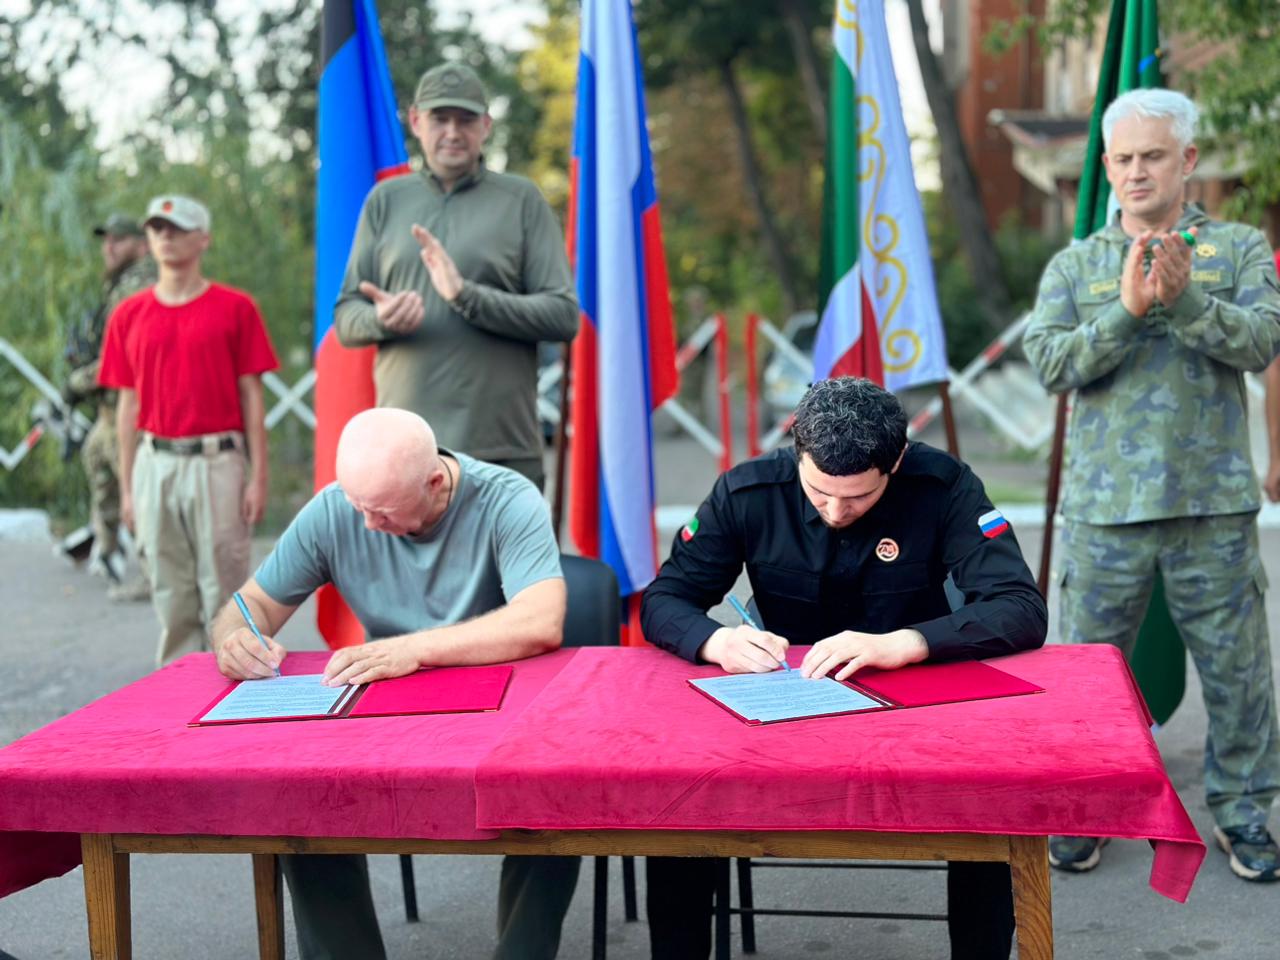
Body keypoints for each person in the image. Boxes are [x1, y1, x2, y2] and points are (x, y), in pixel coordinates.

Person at [639, 377, 1048, 960]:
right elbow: (664, 599)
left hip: (914, 710)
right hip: (782, 710)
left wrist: (908, 643)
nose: (835, 511)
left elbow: (1021, 607)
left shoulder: (943, 486)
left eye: (857, 497)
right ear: (798, 453)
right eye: (818, 491)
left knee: (989, 796)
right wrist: (715, 640)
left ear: (896, 463)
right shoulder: (749, 491)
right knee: (678, 793)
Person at [1024, 88, 1280, 882]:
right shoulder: (1076, 264)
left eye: (1155, 156)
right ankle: (1086, 807)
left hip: (1212, 506)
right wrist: (1127, 311)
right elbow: (1050, 363)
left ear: (1188, 160)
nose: (1138, 171)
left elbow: (1263, 341)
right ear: (1107, 166)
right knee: (1089, 676)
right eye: (1125, 158)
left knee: (1238, 675)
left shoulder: (1237, 248)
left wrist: (1188, 299)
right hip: (1107, 512)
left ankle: (1244, 812)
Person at [210, 407, 575, 960]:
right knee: (297, 793)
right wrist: (235, 636)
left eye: (380, 511)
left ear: (434, 483)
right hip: (385, 708)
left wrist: (414, 648)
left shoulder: (508, 499)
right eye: (358, 505)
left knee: (555, 784)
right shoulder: (339, 507)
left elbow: (541, 620)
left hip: (497, 707)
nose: (365, 524)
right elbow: (251, 604)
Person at [334, 61, 578, 491]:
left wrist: (467, 296)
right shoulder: (385, 201)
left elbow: (562, 315)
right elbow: (346, 317)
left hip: (501, 453)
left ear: (486, 126)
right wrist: (379, 319)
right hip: (402, 454)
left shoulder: (521, 200)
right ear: (415, 122)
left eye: (465, 119)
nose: (452, 132)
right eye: (439, 118)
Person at [97, 195, 278, 667]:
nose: (166, 237)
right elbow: (127, 405)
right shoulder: (129, 314)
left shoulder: (236, 308)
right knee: (170, 591)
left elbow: (252, 397)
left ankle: (236, 684)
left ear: (204, 239)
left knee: (225, 591)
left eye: (177, 228)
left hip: (217, 462)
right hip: (155, 463)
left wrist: (258, 477)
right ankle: (177, 689)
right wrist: (128, 487)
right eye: (157, 228)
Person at [64, 213, 156, 596]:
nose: (109, 247)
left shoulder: (139, 286)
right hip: (111, 408)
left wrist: (79, 382)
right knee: (98, 464)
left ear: (141, 244)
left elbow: (127, 358)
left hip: (132, 409)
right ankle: (107, 552)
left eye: (118, 239)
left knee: (136, 490)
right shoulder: (120, 284)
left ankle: (154, 575)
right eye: (106, 240)